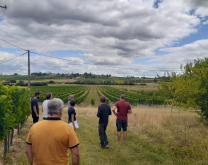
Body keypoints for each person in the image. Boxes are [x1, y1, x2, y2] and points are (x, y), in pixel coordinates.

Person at [26, 98, 80, 165]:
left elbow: (28, 150)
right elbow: (75, 154)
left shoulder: (34, 127)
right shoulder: (68, 128)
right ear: (61, 110)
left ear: (48, 110)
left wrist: (32, 163)